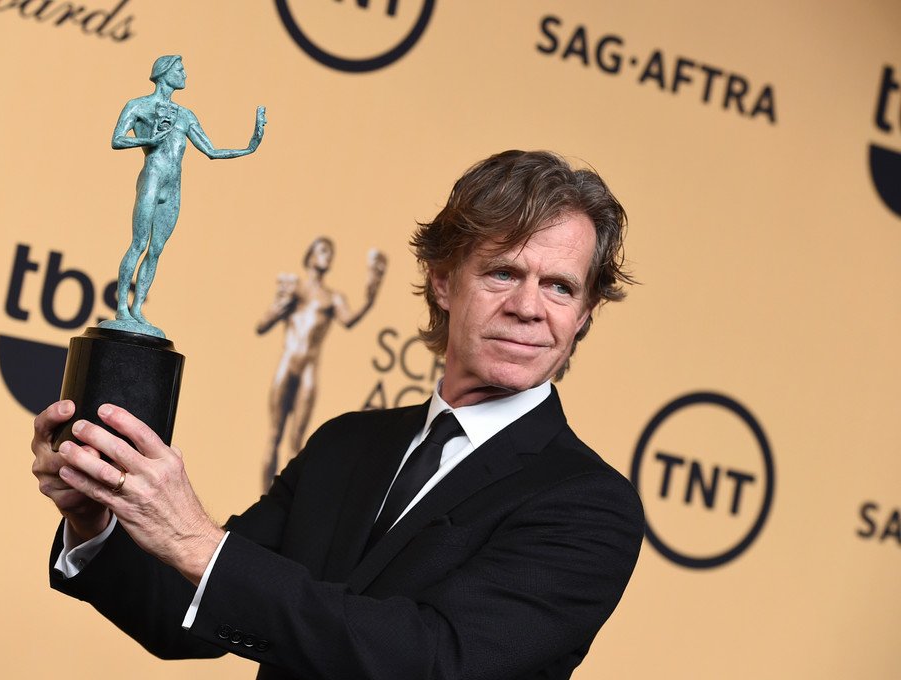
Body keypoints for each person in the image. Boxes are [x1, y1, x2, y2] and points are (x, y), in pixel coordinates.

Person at [32, 150, 645, 680]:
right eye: (503, 272)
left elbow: (434, 663)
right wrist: (95, 519)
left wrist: (196, 541)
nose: (528, 307)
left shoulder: (589, 504)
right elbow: (185, 614)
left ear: (585, 313)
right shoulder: (346, 444)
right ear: (442, 282)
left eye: (560, 287)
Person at [107, 55, 266, 332]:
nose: (185, 74)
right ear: (164, 73)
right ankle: (122, 307)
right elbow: (117, 139)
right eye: (180, 69)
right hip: (152, 178)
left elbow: (211, 151)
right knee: (139, 243)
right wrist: (147, 140)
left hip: (173, 186)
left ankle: (137, 308)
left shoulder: (185, 115)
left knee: (156, 250)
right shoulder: (138, 106)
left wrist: (250, 146)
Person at [256, 238, 387, 485]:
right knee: (274, 435)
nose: (328, 255)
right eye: (323, 250)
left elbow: (349, 320)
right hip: (287, 364)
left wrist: (371, 293)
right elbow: (262, 325)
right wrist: (279, 305)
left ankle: (285, 503)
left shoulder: (333, 298)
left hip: (309, 369)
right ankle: (263, 497)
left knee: (296, 442)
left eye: (331, 252)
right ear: (310, 256)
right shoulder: (294, 288)